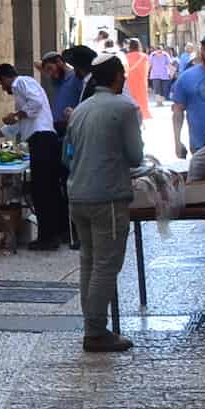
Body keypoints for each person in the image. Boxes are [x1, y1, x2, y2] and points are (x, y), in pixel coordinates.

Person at [63, 54, 144, 353]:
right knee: (106, 266)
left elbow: (67, 156)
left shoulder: (80, 110)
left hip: (78, 195)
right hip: (107, 197)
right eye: (122, 75)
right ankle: (95, 331)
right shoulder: (124, 108)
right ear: (117, 77)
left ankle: (92, 325)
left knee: (88, 262)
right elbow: (135, 156)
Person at [0, 61, 68, 251]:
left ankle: (48, 238)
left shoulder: (21, 83)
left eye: (2, 85)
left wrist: (16, 114)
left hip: (42, 139)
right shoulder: (23, 90)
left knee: (43, 190)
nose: (4, 89)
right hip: (43, 140)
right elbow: (20, 123)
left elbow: (33, 104)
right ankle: (53, 233)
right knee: (46, 190)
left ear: (4, 78)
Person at [40, 51, 81, 130]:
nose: (50, 74)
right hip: (57, 127)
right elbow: (37, 64)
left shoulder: (76, 77)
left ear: (59, 62)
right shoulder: (57, 81)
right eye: (47, 71)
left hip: (71, 125)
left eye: (50, 68)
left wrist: (75, 112)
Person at [124, 38, 151, 122]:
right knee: (141, 100)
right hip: (141, 82)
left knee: (130, 100)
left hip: (129, 82)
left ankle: (131, 118)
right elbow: (147, 70)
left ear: (130, 46)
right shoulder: (144, 57)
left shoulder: (125, 57)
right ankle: (141, 119)